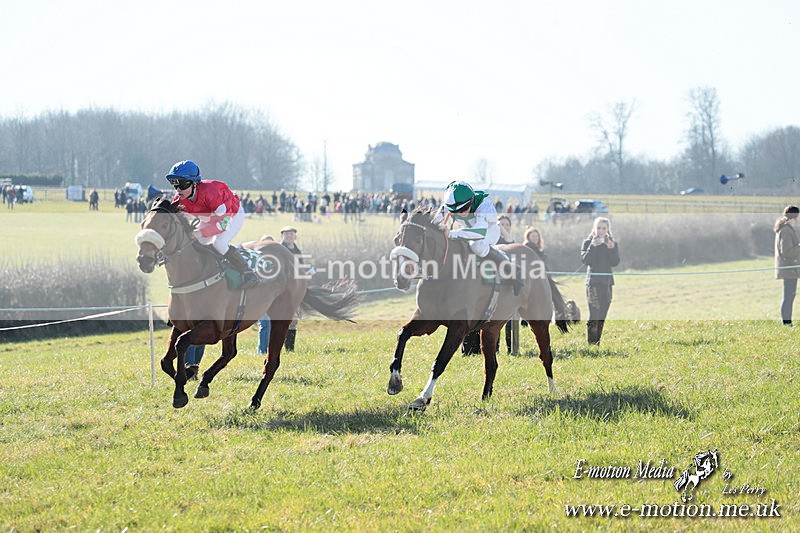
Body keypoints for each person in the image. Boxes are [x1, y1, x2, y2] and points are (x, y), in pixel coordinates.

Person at [165, 159, 259, 290]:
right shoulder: (179, 200)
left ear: (194, 183)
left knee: (219, 244)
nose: (178, 190)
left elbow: (223, 224)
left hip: (232, 215)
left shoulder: (212, 192)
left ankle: (248, 272)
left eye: (182, 185)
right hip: (211, 219)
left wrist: (201, 232)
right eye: (175, 186)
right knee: (193, 242)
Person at [434, 180, 523, 295]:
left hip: (489, 230)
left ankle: (511, 268)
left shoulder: (484, 204)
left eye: (464, 208)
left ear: (471, 200)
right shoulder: (451, 203)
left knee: (477, 246)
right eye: (456, 210)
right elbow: (435, 221)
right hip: (467, 230)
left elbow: (479, 232)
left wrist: (451, 233)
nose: (461, 213)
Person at [581, 217, 620, 345]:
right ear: (594, 228)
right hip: (592, 283)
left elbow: (615, 262)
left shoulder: (612, 243)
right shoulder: (588, 243)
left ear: (608, 229)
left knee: (602, 314)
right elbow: (586, 260)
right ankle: (591, 344)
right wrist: (592, 246)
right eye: (598, 228)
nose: (601, 231)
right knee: (594, 314)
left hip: (607, 283)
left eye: (604, 228)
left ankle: (597, 342)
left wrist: (611, 249)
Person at [280, 226, 305, 351]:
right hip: (282, 288)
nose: (289, 236)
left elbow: (301, 267)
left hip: (295, 289)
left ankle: (290, 348)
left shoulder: (297, 251)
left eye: (291, 234)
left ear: (295, 236)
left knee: (293, 319)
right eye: (287, 234)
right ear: (282, 236)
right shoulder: (279, 250)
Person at [774, 205, 800, 325]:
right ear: (793, 218)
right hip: (789, 269)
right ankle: (787, 323)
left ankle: (787, 323)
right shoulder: (786, 230)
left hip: (790, 268)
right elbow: (787, 251)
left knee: (790, 296)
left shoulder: (785, 229)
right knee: (788, 297)